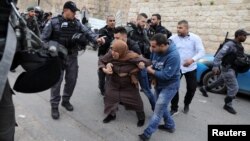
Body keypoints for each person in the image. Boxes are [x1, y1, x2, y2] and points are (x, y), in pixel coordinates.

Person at [41, 1, 105, 120]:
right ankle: (54, 106)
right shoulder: (53, 22)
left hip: (72, 57)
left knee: (72, 80)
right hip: (57, 58)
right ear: (66, 10)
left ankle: (66, 100)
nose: (75, 14)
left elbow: (87, 32)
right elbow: (42, 40)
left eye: (76, 11)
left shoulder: (77, 23)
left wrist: (97, 39)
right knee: (56, 82)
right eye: (73, 11)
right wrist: (52, 47)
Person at [99, 40, 151, 127]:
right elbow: (101, 61)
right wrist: (105, 68)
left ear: (122, 51)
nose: (113, 53)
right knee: (110, 98)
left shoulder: (132, 56)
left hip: (129, 84)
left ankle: (141, 117)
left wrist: (141, 65)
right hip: (114, 82)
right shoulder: (110, 54)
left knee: (136, 101)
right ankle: (112, 115)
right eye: (112, 50)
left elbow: (148, 62)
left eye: (116, 52)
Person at [139, 33, 180, 141]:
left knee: (158, 111)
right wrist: (152, 75)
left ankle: (147, 134)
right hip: (159, 83)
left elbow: (166, 75)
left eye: (153, 46)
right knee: (161, 106)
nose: (151, 49)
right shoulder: (156, 51)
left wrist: (150, 70)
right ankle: (170, 125)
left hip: (170, 86)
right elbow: (153, 63)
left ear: (162, 45)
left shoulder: (174, 56)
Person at [199, 29, 250, 114]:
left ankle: (204, 89)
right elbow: (219, 55)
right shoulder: (230, 44)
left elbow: (239, 56)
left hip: (233, 68)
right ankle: (228, 105)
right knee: (234, 87)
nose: (245, 37)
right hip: (227, 68)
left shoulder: (239, 45)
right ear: (238, 35)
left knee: (220, 81)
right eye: (244, 35)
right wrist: (215, 66)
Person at [169, 20, 205, 115]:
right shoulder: (173, 38)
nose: (178, 29)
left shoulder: (195, 38)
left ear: (187, 28)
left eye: (180, 28)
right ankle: (174, 107)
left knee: (192, 88)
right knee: (174, 88)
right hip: (177, 68)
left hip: (191, 68)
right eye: (177, 27)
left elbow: (201, 52)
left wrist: (192, 60)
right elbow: (167, 49)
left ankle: (186, 104)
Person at [98, 15, 116, 96]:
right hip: (103, 55)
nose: (112, 22)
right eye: (110, 21)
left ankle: (108, 89)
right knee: (102, 74)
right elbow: (103, 41)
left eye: (113, 20)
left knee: (111, 74)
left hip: (113, 56)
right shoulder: (102, 31)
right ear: (107, 22)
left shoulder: (117, 31)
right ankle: (101, 87)